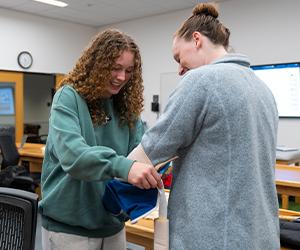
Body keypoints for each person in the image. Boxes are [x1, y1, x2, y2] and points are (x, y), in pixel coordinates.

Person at [130, 3, 280, 249]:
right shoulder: (262, 89)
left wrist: (116, 173)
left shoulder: (201, 80)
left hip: (212, 234)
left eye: (179, 58)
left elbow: (152, 149)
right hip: (259, 233)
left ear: (197, 40)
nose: (179, 69)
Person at [38, 29, 162, 250]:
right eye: (115, 68)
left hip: (113, 224)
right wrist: (125, 167)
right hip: (69, 227)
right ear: (96, 64)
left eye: (128, 70)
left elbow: (141, 152)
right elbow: (74, 156)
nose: (122, 77)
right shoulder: (68, 97)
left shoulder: (126, 106)